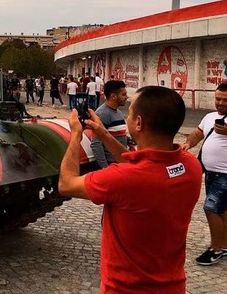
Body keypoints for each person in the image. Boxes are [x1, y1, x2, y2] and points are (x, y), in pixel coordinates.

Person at [59, 86, 202, 293]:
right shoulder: (190, 166)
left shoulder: (122, 179)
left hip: (125, 288)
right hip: (173, 286)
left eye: (131, 112)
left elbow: (66, 184)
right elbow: (137, 167)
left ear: (138, 122)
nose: (127, 115)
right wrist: (103, 134)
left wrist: (75, 136)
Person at [182, 82, 227, 265]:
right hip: (211, 173)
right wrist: (188, 144)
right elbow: (197, 133)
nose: (221, 103)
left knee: (211, 208)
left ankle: (215, 249)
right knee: (221, 211)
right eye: (218, 99)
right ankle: (225, 248)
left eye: (226, 100)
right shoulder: (210, 116)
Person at [90, 80, 129, 168]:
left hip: (121, 163)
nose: (127, 97)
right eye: (124, 95)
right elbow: (96, 144)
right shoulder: (103, 114)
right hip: (112, 165)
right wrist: (105, 168)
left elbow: (118, 136)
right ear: (113, 96)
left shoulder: (118, 112)